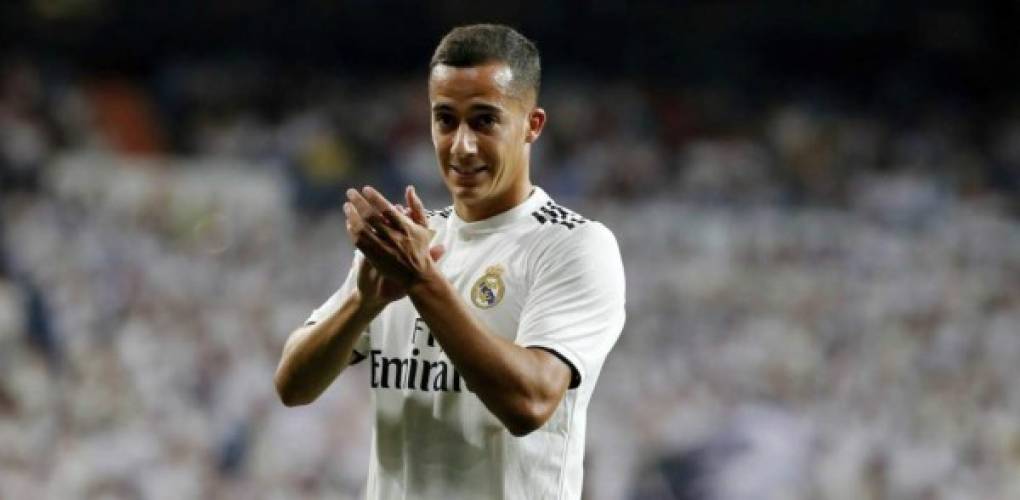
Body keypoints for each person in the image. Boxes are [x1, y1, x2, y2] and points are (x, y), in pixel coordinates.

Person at [274, 23, 625, 500]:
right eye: (445, 119)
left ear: (532, 125)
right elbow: (293, 386)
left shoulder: (574, 246)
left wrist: (422, 280)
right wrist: (361, 302)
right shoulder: (411, 242)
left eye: (485, 120)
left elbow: (531, 401)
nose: (461, 144)